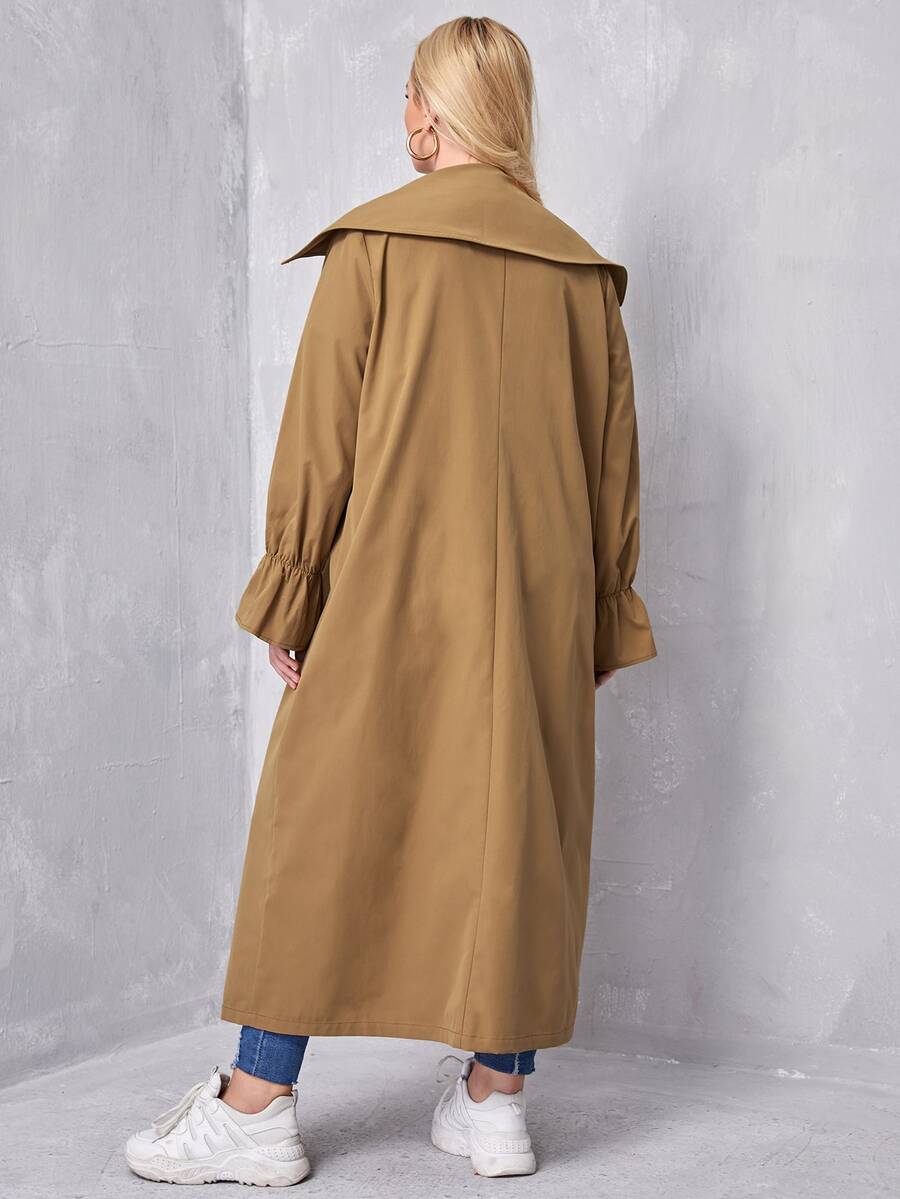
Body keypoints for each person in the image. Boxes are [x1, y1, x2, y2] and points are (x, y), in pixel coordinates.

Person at [125, 15, 657, 1187]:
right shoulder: (583, 275)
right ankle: (495, 1101)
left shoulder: (377, 244)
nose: (403, 114)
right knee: (514, 832)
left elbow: (322, 436)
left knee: (316, 824)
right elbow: (613, 461)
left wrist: (295, 589)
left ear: (436, 113)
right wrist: (603, 608)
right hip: (535, 609)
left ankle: (255, 1104)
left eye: (412, 94)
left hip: (389, 589)